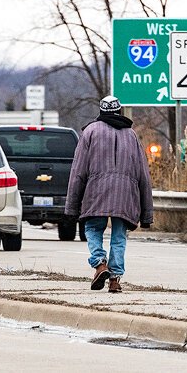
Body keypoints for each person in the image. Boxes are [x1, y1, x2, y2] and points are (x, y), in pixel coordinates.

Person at [64, 95, 154, 293]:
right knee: (119, 236)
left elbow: (78, 171)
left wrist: (71, 207)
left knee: (93, 229)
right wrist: (147, 214)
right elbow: (143, 175)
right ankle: (114, 279)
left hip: (96, 192)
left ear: (101, 111)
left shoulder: (90, 132)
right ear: (119, 111)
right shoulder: (131, 135)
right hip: (125, 194)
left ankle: (99, 263)